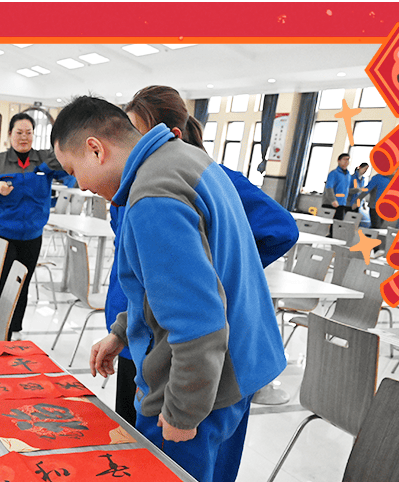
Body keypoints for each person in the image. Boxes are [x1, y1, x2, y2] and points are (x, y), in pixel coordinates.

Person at [50, 96, 286, 482]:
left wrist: (182, 411)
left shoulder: (153, 196)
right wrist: (123, 331)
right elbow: (170, 283)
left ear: (95, 149)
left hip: (200, 385)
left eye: (74, 171)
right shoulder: (186, 159)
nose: (80, 185)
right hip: (236, 366)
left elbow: (197, 320)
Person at [111, 85, 298, 425]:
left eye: (132, 134)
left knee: (165, 445)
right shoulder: (132, 183)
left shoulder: (184, 183)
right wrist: (122, 328)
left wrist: (218, 271)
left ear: (171, 135)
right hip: (142, 328)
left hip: (185, 349)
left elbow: (280, 229)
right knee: (130, 432)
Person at [0, 113, 70, 339]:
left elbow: (69, 166)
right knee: (2, 284)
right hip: (3, 235)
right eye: (19, 132)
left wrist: (50, 163)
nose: (24, 137)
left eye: (29, 132)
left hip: (32, 235)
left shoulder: (45, 159)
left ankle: (14, 329)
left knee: (22, 283)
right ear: (10, 134)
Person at [324, 153, 353, 221]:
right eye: (344, 159)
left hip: (342, 204)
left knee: (337, 225)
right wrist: (333, 200)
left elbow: (347, 190)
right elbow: (329, 188)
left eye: (348, 160)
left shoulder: (348, 175)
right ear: (339, 161)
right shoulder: (334, 173)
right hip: (331, 204)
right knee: (327, 224)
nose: (346, 161)